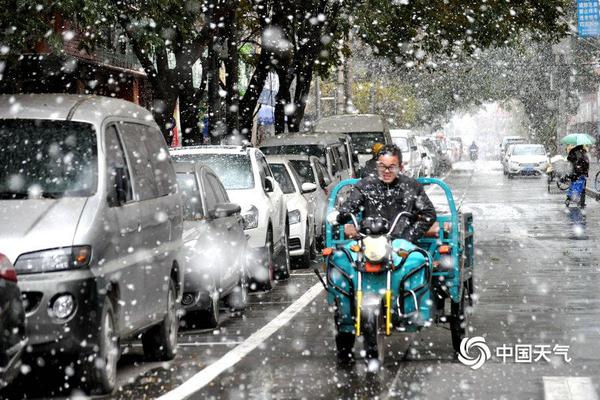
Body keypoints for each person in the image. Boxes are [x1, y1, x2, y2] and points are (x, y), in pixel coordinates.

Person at [328, 144, 436, 243]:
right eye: (382, 166)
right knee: (344, 259)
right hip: (370, 241)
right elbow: (351, 206)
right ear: (377, 166)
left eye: (392, 167)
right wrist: (339, 215)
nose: (387, 171)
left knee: (416, 261)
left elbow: (428, 214)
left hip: (401, 244)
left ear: (401, 167)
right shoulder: (366, 185)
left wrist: (408, 236)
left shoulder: (412, 186)